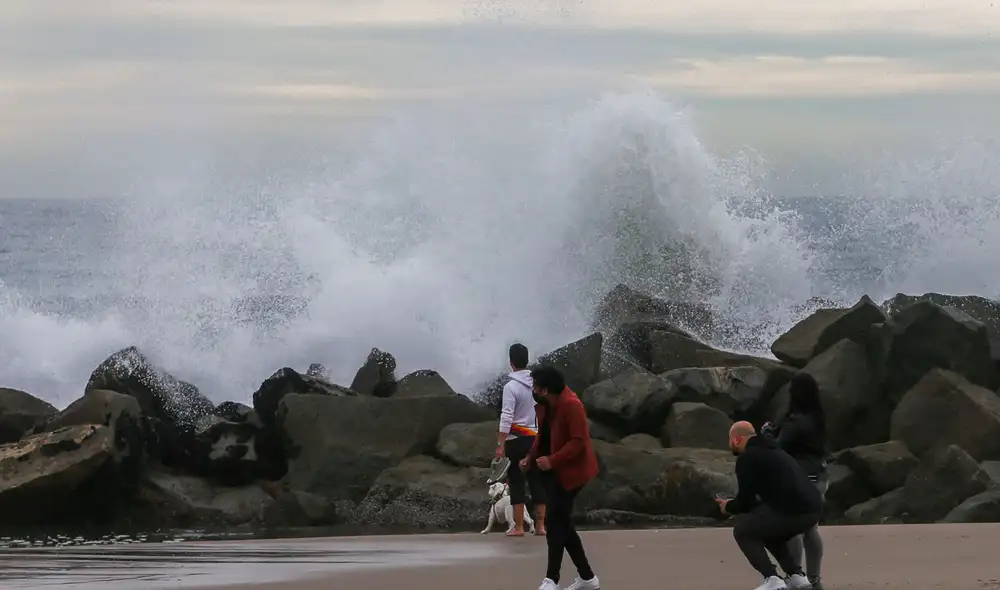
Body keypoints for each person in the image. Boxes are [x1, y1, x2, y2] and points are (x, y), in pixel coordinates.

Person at [520, 366, 600, 590]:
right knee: (561, 523)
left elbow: (579, 442)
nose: (532, 389)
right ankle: (587, 578)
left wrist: (552, 460)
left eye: (535, 386)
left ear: (545, 390)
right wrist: (530, 457)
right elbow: (543, 436)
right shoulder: (548, 404)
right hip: (555, 472)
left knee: (555, 523)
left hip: (573, 473)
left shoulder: (571, 405)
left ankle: (551, 580)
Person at [716, 421, 822, 590]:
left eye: (730, 440)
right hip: (813, 510)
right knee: (768, 529)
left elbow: (746, 501)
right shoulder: (776, 451)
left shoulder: (747, 457)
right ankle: (796, 576)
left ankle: (772, 578)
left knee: (743, 530)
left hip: (792, 510)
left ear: (737, 440)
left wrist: (728, 507)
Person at [762, 373, 829, 590]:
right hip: (819, 475)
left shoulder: (797, 421)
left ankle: (796, 577)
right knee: (811, 529)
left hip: (801, 479)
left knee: (793, 529)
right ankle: (814, 579)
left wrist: (767, 435)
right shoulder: (817, 417)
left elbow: (779, 447)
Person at [495, 343, 547, 537]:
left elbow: (506, 416)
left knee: (516, 480)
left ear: (511, 363)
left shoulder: (511, 387)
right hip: (536, 438)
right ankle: (541, 526)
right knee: (537, 481)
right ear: (527, 360)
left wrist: (500, 444)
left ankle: (519, 527)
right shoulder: (538, 385)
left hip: (516, 439)